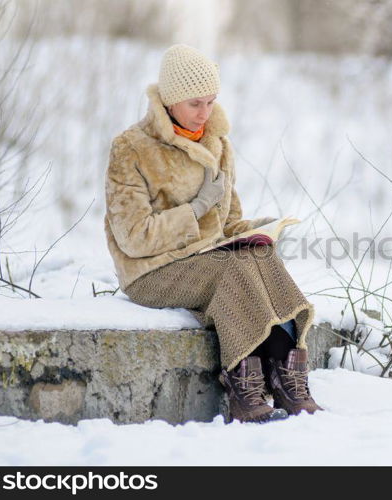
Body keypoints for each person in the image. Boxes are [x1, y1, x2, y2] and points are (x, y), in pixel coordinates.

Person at [103, 44, 323, 423]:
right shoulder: (132, 148)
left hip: (207, 261)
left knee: (258, 255)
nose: (205, 112)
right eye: (194, 103)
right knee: (233, 268)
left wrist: (259, 229)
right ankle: (244, 384)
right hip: (151, 272)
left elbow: (227, 224)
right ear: (170, 101)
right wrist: (195, 209)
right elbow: (133, 236)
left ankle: (286, 378)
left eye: (211, 101)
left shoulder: (217, 145)